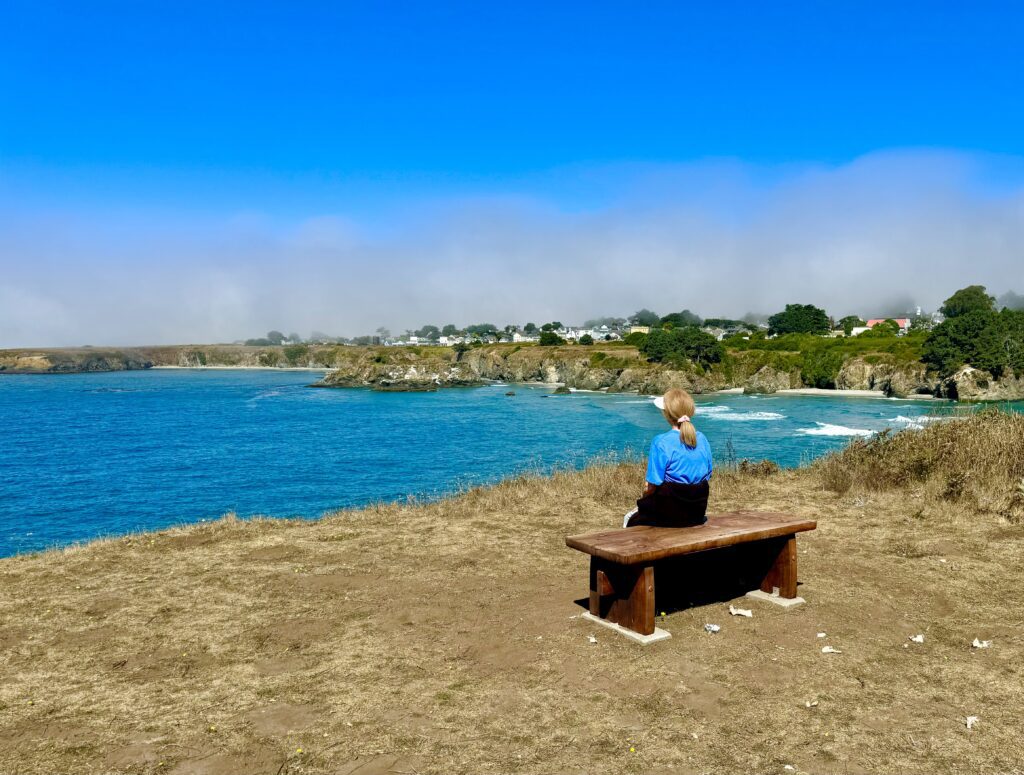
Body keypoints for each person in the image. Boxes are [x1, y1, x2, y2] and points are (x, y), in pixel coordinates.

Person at [623, 388, 713, 528]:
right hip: (696, 513)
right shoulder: (702, 439)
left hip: (667, 515)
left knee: (629, 518)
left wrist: (643, 500)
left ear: (666, 414)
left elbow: (652, 486)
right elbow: (707, 476)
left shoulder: (661, 442)